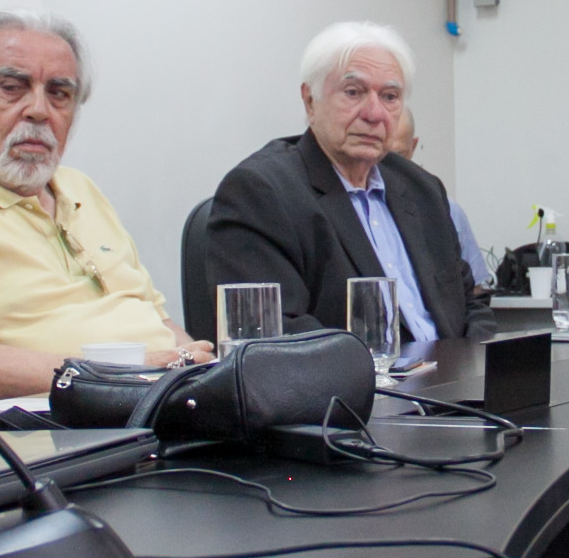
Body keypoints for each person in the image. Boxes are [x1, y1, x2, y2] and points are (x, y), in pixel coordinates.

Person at [0, 11, 211, 401]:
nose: (39, 110)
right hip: (50, 423)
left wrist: (201, 373)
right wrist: (134, 373)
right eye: (12, 88)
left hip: (154, 404)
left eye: (59, 94)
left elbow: (159, 324)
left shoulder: (81, 188)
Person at [208, 22, 492, 341]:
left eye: (390, 96)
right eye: (353, 92)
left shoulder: (421, 188)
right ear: (310, 101)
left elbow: (471, 304)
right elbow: (276, 335)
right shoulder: (261, 192)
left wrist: (478, 362)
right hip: (360, 374)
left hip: (452, 372)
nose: (374, 113)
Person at [387, 107, 490, 291]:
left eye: (398, 156)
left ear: (413, 146)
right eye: (382, 155)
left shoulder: (446, 210)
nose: (387, 165)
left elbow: (474, 290)